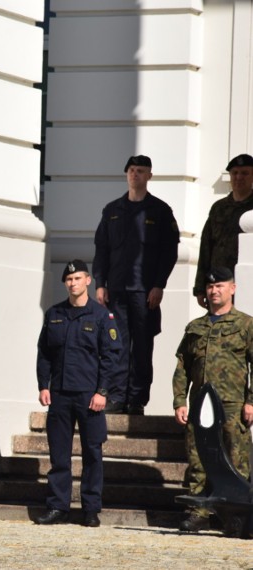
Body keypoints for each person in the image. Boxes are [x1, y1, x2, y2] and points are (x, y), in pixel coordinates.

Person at [35, 260, 122, 528]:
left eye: (77, 278)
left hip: (89, 396)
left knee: (92, 454)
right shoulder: (54, 314)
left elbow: (112, 356)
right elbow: (45, 353)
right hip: (60, 394)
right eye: (69, 279)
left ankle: (90, 509)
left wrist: (102, 392)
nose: (73, 283)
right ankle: (57, 506)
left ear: (88, 281)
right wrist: (44, 385)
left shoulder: (101, 316)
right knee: (59, 454)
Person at [92, 155, 179, 414]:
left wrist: (159, 284)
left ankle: (137, 399)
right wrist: (100, 283)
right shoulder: (112, 210)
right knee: (116, 344)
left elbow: (169, 251)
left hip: (144, 292)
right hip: (116, 290)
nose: (135, 175)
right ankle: (117, 397)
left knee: (142, 347)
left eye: (140, 171)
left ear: (149, 175)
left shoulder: (160, 211)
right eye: (131, 170)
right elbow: (102, 249)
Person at [172, 267, 253, 534]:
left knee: (236, 457)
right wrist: (179, 400)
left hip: (232, 403)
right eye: (210, 287)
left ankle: (237, 514)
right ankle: (199, 512)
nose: (214, 290)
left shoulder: (245, 324)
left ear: (232, 288)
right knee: (198, 456)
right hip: (200, 404)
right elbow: (183, 366)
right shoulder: (195, 327)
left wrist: (251, 401)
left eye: (220, 286)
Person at [193, 154, 253, 308]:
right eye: (235, 173)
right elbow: (206, 247)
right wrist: (201, 287)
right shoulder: (218, 208)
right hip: (220, 281)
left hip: (248, 281)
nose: (239, 177)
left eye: (245, 173)